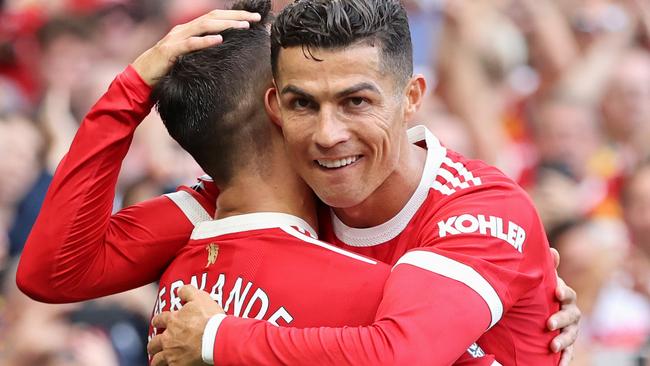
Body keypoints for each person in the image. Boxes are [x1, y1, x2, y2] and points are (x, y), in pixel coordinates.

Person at [16, 0, 579, 364]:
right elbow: (52, 270)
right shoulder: (251, 196)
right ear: (274, 109)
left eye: (356, 101)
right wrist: (132, 88)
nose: (329, 134)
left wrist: (216, 338)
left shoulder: (481, 211)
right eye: (302, 103)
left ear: (411, 100)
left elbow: (404, 352)